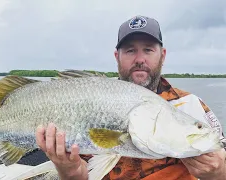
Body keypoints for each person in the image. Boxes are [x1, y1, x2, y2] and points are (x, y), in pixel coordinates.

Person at [35, 15, 226, 180]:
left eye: (148, 49)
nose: (140, 59)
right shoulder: (91, 102)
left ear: (163, 55)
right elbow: (82, 175)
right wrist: (71, 172)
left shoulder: (190, 105)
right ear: (117, 56)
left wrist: (219, 173)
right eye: (130, 50)